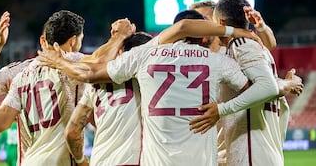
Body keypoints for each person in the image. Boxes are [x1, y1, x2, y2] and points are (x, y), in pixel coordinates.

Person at [37, 19, 283, 165]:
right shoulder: (211, 61)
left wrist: (58, 62)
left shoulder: (141, 59)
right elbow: (259, 89)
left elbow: (88, 74)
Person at [0, 10, 135, 166]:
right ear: (73, 41)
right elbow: (98, 61)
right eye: (81, 40)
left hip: (30, 160)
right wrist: (118, 37)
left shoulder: (22, 76)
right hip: (61, 160)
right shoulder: (70, 61)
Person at [182, 0, 303, 166]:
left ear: (219, 21)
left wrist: (260, 26)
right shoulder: (206, 58)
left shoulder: (239, 47)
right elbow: (266, 83)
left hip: (246, 150)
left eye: (204, 20)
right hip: (223, 149)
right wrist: (286, 83)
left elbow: (265, 85)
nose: (201, 27)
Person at [64, 32, 152, 166]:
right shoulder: (151, 80)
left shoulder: (94, 83)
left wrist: (81, 161)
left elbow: (72, 132)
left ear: (121, 52)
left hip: (101, 161)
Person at [189, 0, 277, 52]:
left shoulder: (234, 44)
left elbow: (269, 46)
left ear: (217, 20)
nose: (198, 25)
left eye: (203, 19)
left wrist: (261, 27)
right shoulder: (186, 49)